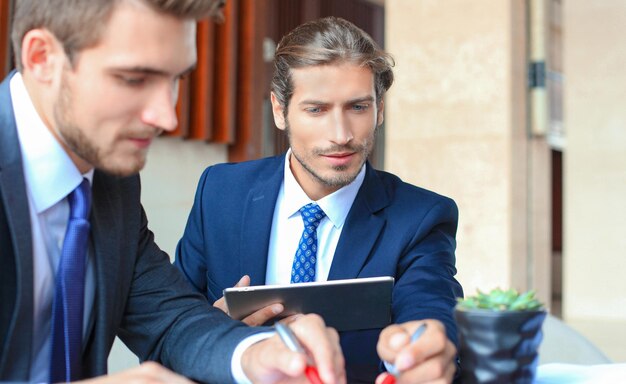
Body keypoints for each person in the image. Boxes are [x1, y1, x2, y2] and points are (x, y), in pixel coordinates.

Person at [0, 1, 346, 383]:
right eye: (135, 79)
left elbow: (169, 317)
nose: (167, 116)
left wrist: (257, 354)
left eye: (176, 79)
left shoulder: (112, 181)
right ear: (42, 57)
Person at [174, 16, 463, 384]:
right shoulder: (219, 192)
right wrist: (213, 333)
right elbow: (170, 325)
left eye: (358, 107)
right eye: (317, 110)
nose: (341, 135)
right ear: (280, 111)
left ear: (380, 109)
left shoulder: (421, 216)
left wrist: (424, 348)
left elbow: (430, 305)